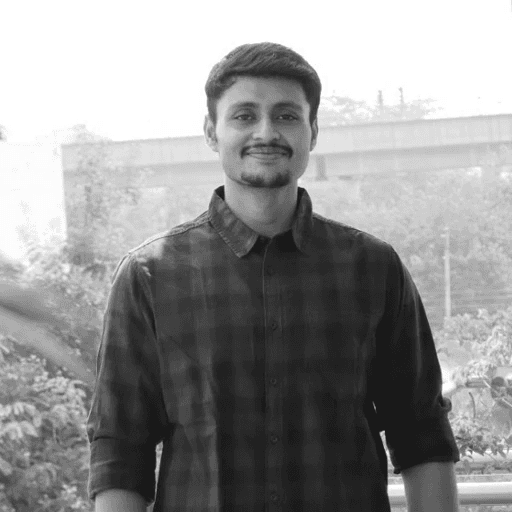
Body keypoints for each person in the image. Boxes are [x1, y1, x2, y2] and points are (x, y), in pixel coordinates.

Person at [87, 42, 460, 512]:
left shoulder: (374, 268)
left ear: (312, 131)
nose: (266, 132)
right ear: (211, 131)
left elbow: (420, 430)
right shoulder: (149, 275)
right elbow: (121, 448)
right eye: (244, 115)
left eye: (286, 115)